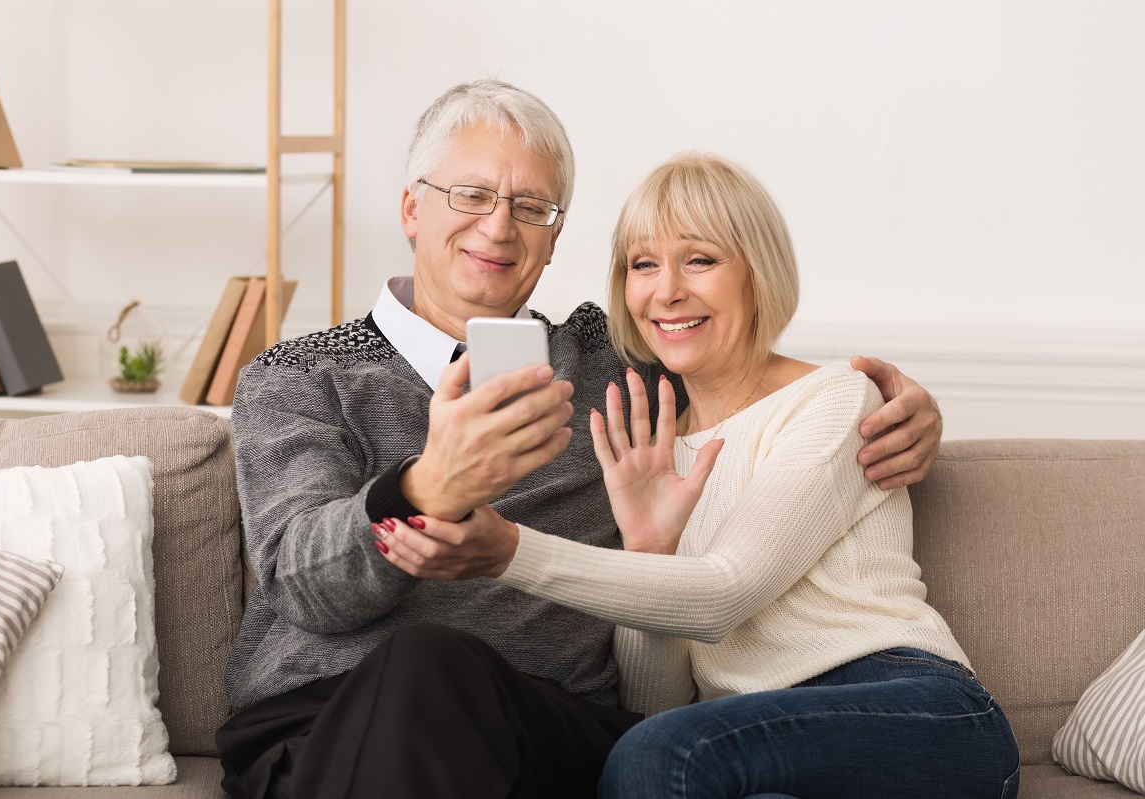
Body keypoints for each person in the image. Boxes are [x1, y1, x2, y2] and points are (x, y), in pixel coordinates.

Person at [217, 79, 946, 799]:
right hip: (319, 722)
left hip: (550, 728)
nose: (499, 227)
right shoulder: (299, 375)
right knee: (419, 666)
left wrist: (902, 406)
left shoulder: (612, 360)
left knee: (433, 664)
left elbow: (746, 367)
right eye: (470, 195)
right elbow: (302, 582)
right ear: (411, 207)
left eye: (529, 207)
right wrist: (425, 487)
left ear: (554, 238)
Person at [376, 152, 1020, 798]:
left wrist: (505, 551)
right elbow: (657, 702)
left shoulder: (836, 400)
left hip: (913, 709)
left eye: (701, 260)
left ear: (756, 275)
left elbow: (722, 594)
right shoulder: (654, 450)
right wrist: (650, 551)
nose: (667, 291)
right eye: (643, 264)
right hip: (749, 745)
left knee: (659, 754)